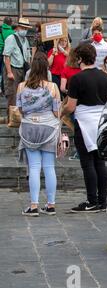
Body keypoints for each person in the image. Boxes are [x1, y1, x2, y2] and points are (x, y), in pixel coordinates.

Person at [61, 44, 107, 213]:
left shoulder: (77, 79)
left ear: (79, 59)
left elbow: (70, 106)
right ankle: (102, 200)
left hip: (84, 122)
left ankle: (91, 201)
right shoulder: (106, 77)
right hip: (102, 123)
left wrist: (60, 112)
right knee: (100, 161)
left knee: (87, 163)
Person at [16, 52, 61, 216]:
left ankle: (33, 205)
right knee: (49, 167)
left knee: (34, 167)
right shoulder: (53, 87)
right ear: (46, 68)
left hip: (29, 128)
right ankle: (50, 205)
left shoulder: (21, 87)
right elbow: (57, 112)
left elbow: (20, 109)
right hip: (48, 128)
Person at [3, 18, 32, 120]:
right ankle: (11, 119)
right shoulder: (11, 38)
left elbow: (28, 56)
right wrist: (9, 72)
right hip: (13, 68)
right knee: (12, 95)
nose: (24, 30)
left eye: (26, 28)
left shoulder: (25, 40)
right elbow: (7, 56)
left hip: (23, 69)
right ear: (18, 28)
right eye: (23, 28)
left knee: (23, 94)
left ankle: (19, 118)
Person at [0, 17, 14, 92]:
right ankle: (3, 89)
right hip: (6, 54)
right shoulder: (12, 33)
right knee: (4, 71)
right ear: (11, 23)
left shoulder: (0, 29)